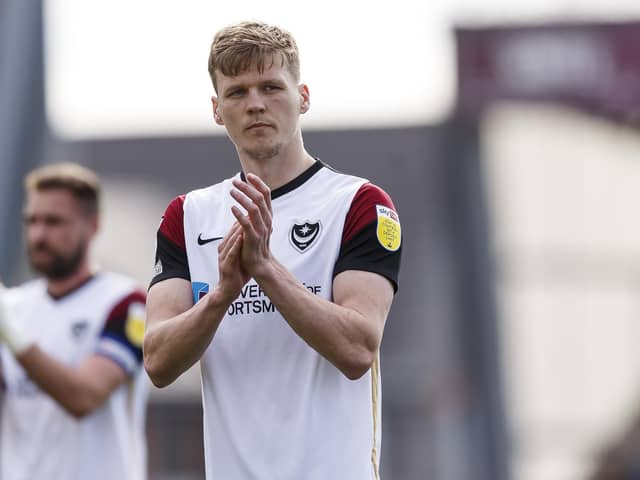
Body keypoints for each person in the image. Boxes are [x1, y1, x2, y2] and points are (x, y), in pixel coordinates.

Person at [143, 20, 402, 479]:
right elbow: (158, 361)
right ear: (217, 109)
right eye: (237, 92)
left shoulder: (358, 203)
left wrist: (264, 268)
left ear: (303, 97)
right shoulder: (188, 215)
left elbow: (358, 348)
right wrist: (222, 293)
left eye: (270, 86)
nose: (256, 104)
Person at [0, 163, 149, 480]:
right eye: (32, 221)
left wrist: (10, 334)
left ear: (92, 225)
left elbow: (84, 397)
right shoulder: (13, 305)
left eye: (54, 222)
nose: (39, 235)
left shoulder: (126, 303)